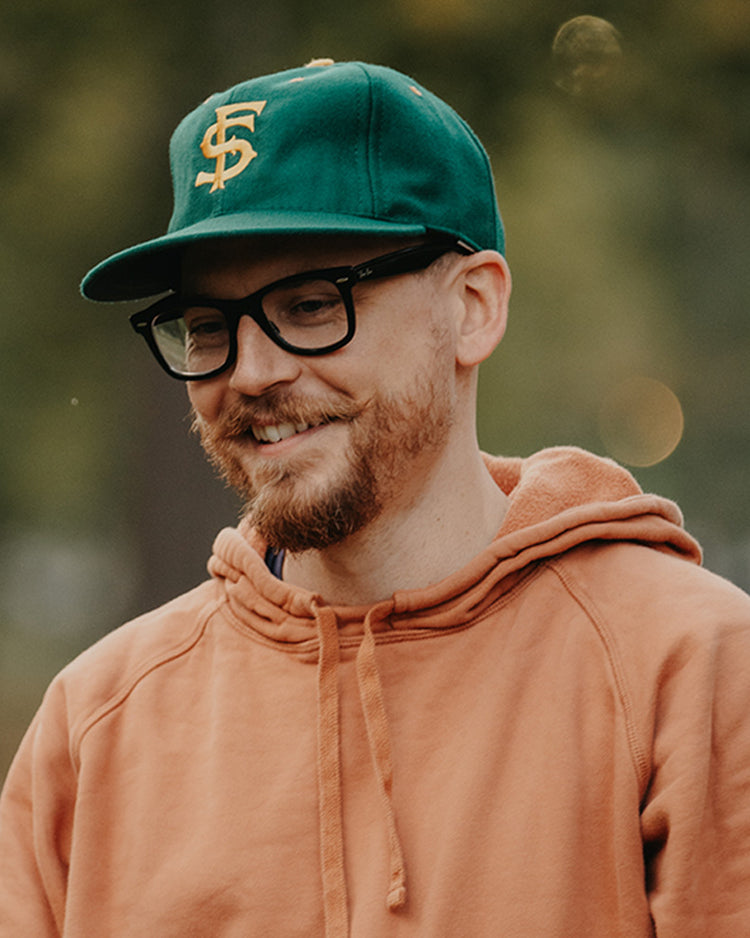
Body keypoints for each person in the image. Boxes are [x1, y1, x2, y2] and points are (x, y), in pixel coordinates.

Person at [1, 59, 749, 938]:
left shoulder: (689, 669)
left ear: (472, 307)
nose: (251, 371)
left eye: (312, 305)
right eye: (208, 326)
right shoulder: (96, 727)